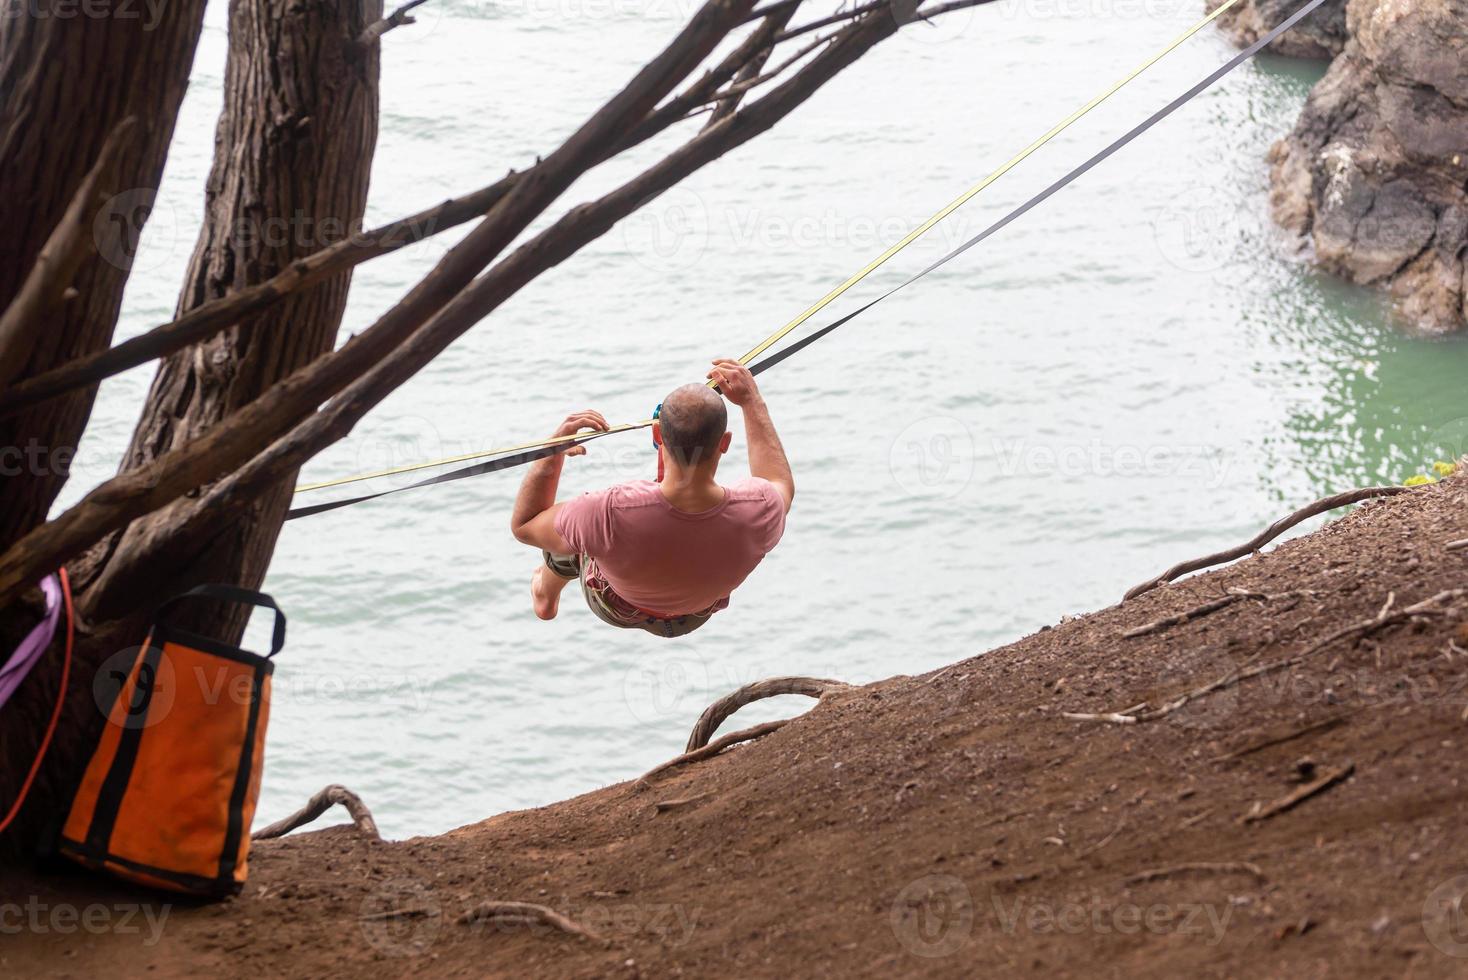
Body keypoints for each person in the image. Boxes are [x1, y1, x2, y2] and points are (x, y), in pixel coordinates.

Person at [510, 358, 794, 638]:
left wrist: (553, 451)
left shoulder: (606, 511)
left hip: (616, 607)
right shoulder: (760, 508)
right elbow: (779, 481)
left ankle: (544, 594)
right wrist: (751, 401)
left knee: (569, 529)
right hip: (695, 613)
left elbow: (525, 526)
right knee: (592, 526)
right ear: (725, 442)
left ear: (658, 433)